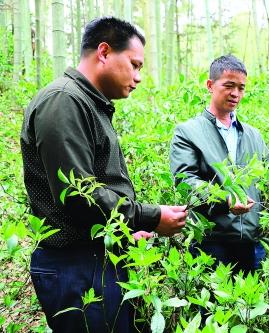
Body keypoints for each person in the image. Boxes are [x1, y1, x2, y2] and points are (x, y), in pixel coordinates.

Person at [21, 17, 187, 332]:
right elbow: (78, 194)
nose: (138, 77)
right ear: (104, 52)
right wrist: (148, 217)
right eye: (135, 65)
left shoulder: (87, 103)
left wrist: (126, 231)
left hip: (95, 258)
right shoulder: (64, 101)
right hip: (75, 266)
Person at [170, 55, 269, 274]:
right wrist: (225, 199)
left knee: (251, 305)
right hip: (211, 244)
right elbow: (185, 182)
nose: (235, 93)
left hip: (252, 243)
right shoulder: (188, 132)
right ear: (210, 85)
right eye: (229, 86)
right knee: (212, 308)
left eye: (241, 88)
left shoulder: (253, 135)